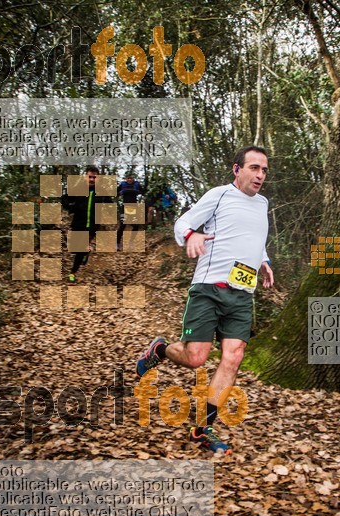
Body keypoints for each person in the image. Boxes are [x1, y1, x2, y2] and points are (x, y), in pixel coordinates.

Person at [135, 146, 274, 455]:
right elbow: (181, 224)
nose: (260, 175)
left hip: (242, 293)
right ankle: (161, 349)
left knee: (233, 357)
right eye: (254, 168)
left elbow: (255, 238)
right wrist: (191, 237)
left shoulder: (262, 203)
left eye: (264, 170)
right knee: (197, 357)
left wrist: (264, 261)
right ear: (237, 170)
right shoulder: (219, 195)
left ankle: (202, 427)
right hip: (209, 287)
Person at [60, 166, 113, 284]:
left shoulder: (102, 191)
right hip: (78, 223)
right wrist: (71, 208)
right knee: (74, 248)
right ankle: (86, 252)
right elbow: (64, 199)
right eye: (90, 177)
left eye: (95, 177)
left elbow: (111, 205)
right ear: (85, 177)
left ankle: (72, 273)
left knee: (80, 249)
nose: (92, 179)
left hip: (92, 225)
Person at [117, 174, 143, 251]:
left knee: (136, 226)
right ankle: (117, 243)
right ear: (126, 179)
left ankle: (131, 242)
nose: (129, 180)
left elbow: (143, 191)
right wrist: (119, 193)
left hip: (134, 207)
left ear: (133, 178)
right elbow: (115, 192)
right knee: (122, 225)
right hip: (124, 207)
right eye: (128, 178)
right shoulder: (122, 184)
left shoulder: (137, 184)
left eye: (131, 178)